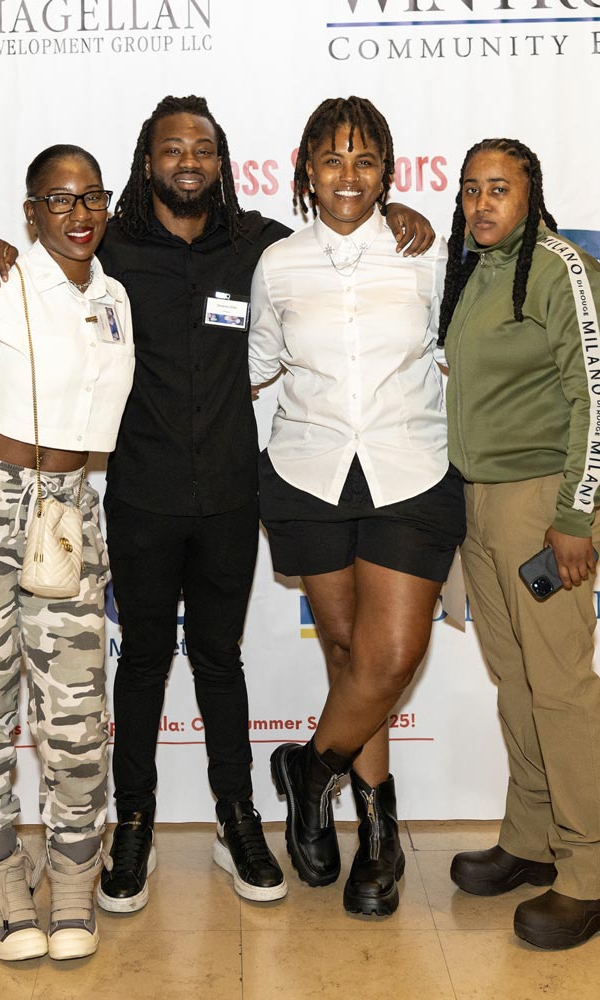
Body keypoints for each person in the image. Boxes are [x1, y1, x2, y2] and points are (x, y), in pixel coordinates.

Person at [0, 94, 435, 913]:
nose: (189, 160)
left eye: (204, 149)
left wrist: (405, 216)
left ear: (221, 164)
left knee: (221, 662)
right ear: (147, 161)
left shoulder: (258, 246)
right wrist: (5, 243)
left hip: (229, 491)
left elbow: (341, 244)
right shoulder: (103, 242)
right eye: (173, 148)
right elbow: (47, 247)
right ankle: (135, 825)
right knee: (143, 662)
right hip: (139, 493)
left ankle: (237, 818)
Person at [248, 96, 465, 916]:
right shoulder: (278, 265)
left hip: (410, 470)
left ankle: (310, 769)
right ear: (306, 167)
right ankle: (377, 836)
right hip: (307, 474)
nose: (348, 175)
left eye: (364, 160)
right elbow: (258, 363)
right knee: (345, 654)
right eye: (332, 159)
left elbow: (455, 353)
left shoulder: (426, 254)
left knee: (389, 656)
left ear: (387, 172)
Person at [0, 144, 135, 961]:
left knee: (78, 709)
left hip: (68, 508)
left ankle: (76, 868)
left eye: (92, 196)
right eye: (58, 199)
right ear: (30, 211)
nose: (78, 213)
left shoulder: (115, 294)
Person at [439, 137, 600, 950]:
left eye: (497, 189)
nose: (480, 204)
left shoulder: (560, 267)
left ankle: (588, 870)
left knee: (562, 686)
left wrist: (575, 516)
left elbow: (593, 396)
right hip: (477, 504)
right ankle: (532, 839)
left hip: (540, 506)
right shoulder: (470, 268)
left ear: (531, 193)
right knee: (515, 681)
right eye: (469, 190)